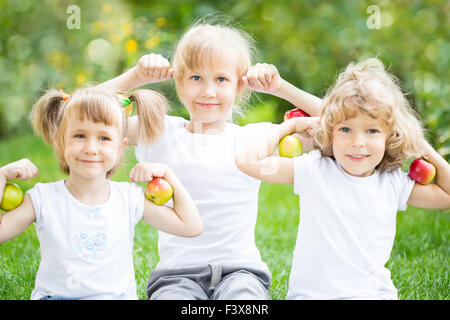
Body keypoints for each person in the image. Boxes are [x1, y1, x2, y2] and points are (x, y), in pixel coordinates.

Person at [98, 20, 322, 299]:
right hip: (176, 275)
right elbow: (78, 116)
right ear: (178, 81)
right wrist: (135, 77)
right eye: (196, 78)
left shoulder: (256, 139)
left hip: (242, 273)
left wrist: (281, 87)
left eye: (221, 79)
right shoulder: (159, 130)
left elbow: (340, 127)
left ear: (240, 86)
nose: (208, 91)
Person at [236, 57, 450, 299]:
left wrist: (423, 147)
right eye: (346, 129)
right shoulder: (314, 170)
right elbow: (247, 161)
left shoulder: (393, 183)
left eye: (372, 131)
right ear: (330, 133)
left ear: (390, 137)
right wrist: (291, 126)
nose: (358, 142)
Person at [0, 87, 202, 300]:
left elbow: (191, 226)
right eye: (79, 135)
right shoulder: (43, 198)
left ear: (120, 147)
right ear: (60, 140)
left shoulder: (128, 198)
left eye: (104, 138)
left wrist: (168, 174)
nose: (91, 148)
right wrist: (2, 175)